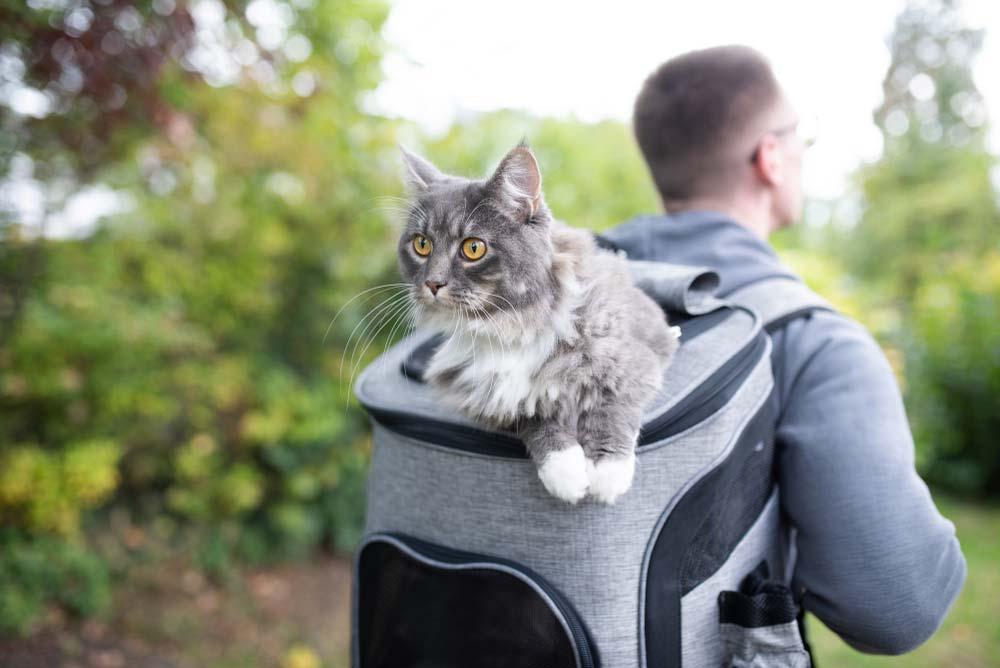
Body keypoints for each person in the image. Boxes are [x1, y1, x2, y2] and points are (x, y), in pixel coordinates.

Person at [607, 45, 967, 654]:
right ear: (770, 157)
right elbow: (897, 605)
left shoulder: (546, 297)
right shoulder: (814, 342)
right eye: (801, 137)